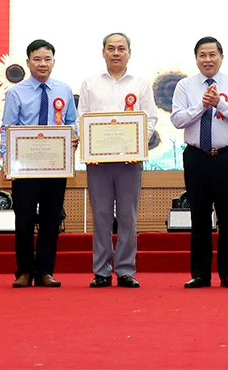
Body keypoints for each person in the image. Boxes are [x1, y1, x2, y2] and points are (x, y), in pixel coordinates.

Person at [170, 37, 228, 289]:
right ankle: (200, 274)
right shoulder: (184, 86)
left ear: (221, 57)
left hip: (227, 157)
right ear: (196, 59)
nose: (208, 59)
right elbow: (177, 119)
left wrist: (220, 104)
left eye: (212, 54)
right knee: (199, 216)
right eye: (202, 55)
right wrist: (201, 105)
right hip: (196, 157)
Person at [77, 32, 156, 288]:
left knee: (127, 216)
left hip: (130, 163)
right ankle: (101, 271)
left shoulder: (141, 83)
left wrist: (136, 147)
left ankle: (125, 270)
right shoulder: (90, 83)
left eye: (121, 48)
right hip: (98, 163)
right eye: (111, 48)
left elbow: (150, 119)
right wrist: (90, 149)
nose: (116, 53)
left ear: (129, 53)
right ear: (103, 52)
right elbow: (82, 119)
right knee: (101, 215)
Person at [2, 39, 78, 289]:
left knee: (50, 220)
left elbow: (71, 121)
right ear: (28, 62)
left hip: (55, 167)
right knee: (23, 220)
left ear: (53, 62)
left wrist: (74, 136)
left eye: (47, 59)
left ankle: (45, 271)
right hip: (24, 168)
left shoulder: (64, 90)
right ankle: (23, 271)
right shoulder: (16, 92)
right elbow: (7, 128)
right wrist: (7, 161)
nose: (42, 64)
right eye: (37, 59)